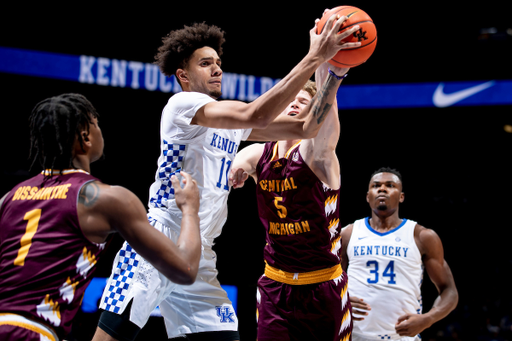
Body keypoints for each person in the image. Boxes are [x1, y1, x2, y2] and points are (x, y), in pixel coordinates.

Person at [93, 12, 362, 341]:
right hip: (159, 242)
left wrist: (332, 73)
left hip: (200, 253)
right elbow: (256, 114)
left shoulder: (233, 126)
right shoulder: (182, 105)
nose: (217, 68)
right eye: (205, 63)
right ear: (184, 75)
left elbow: (307, 128)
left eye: (218, 62)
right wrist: (313, 56)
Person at [0, 93, 201, 341]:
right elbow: (186, 270)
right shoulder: (105, 199)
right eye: (96, 124)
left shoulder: (9, 198)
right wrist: (190, 209)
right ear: (85, 137)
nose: (100, 131)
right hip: (33, 332)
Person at [229, 58, 351, 340]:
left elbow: (326, 129)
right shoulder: (259, 154)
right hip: (276, 285)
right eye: (288, 100)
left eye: (303, 101)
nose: (293, 104)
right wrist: (237, 168)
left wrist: (332, 74)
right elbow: (242, 157)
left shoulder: (315, 154)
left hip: (323, 286)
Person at [341, 167, 459, 341]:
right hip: (353, 336)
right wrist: (340, 300)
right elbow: (326, 283)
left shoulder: (422, 236)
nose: (382, 189)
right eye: (376, 185)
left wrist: (428, 319)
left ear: (401, 196)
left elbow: (450, 291)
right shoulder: (348, 234)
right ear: (368, 196)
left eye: (390, 185)